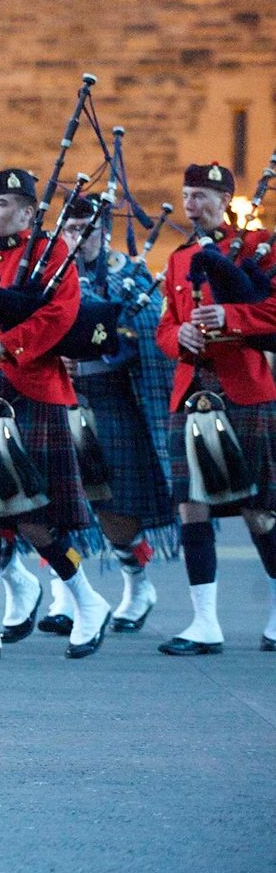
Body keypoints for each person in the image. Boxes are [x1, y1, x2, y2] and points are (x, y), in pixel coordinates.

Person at [0, 166, 114, 661]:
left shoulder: (54, 255)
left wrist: (7, 344)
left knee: (32, 516)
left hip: (33, 393)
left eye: (2, 204)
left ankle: (87, 599)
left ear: (29, 212)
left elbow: (60, 317)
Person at [153, 163, 276, 655]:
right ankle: (204, 622)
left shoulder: (256, 249)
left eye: (202, 196)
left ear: (226, 200)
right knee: (191, 503)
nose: (192, 205)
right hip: (192, 387)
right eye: (187, 196)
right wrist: (175, 337)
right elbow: (166, 325)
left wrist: (230, 314)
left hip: (244, 386)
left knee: (259, 510)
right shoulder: (180, 259)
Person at [58, 194, 178, 634]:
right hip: (61, 394)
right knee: (54, 506)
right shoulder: (53, 275)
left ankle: (137, 582)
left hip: (111, 394)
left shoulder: (131, 274)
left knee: (114, 507)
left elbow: (145, 335)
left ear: (104, 230)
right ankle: (67, 596)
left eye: (87, 229)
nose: (79, 238)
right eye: (71, 229)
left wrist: (107, 349)